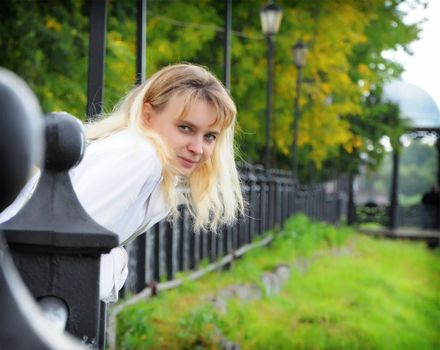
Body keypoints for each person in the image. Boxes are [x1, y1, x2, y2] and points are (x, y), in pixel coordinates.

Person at [0, 63, 244, 302]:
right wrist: (118, 261)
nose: (198, 148)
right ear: (147, 115)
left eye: (210, 136)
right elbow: (64, 254)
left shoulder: (145, 160)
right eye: (185, 128)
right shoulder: (139, 156)